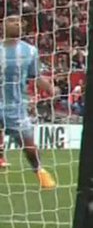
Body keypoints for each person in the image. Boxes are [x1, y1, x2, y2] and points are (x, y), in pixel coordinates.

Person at [0, 15, 56, 189]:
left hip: (15, 107)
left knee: (29, 145)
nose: (15, 23)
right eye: (11, 21)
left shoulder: (30, 51)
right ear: (3, 26)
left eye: (18, 21)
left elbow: (35, 76)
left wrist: (50, 88)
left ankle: (39, 171)